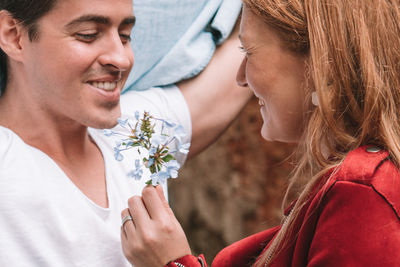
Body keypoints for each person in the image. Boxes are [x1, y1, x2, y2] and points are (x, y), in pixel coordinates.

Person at [121, 0, 400, 266]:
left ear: (319, 67)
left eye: (249, 52)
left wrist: (172, 264)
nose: (240, 78)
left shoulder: (362, 192)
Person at [0, 0, 250, 266]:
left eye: (125, 36)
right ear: (14, 36)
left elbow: (251, 54)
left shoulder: (136, 129)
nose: (121, 59)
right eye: (88, 35)